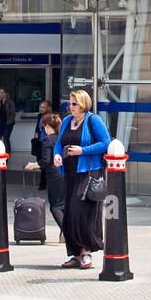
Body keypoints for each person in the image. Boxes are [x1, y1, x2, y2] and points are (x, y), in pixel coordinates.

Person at [54, 89, 110, 270]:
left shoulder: (94, 120)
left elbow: (106, 143)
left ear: (83, 104)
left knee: (81, 212)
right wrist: (57, 155)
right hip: (70, 172)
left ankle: (86, 252)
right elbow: (58, 143)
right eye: (69, 103)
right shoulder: (66, 121)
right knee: (69, 212)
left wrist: (82, 150)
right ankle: (76, 254)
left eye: (74, 103)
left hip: (88, 172)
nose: (70, 107)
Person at [25, 111, 65, 237]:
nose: (43, 130)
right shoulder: (63, 138)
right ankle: (64, 233)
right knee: (64, 204)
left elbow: (45, 161)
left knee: (55, 207)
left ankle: (66, 231)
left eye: (44, 127)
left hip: (54, 176)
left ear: (48, 126)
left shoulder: (48, 140)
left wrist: (32, 165)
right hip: (66, 173)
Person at [0, 87, 17, 156]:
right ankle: (0, 151)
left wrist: (10, 122)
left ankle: (7, 152)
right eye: (0, 92)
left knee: (5, 137)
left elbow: (13, 114)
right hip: (0, 123)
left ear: (6, 93)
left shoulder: (10, 102)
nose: (1, 94)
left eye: (2, 92)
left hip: (8, 123)